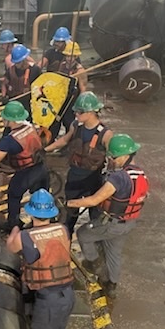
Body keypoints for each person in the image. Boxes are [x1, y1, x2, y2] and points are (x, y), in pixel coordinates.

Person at [6, 189, 75, 329]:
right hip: (66, 295)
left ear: (31, 213)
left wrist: (17, 225)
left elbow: (11, 246)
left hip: (49, 301)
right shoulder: (63, 229)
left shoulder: (26, 237)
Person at [66, 134, 149, 299]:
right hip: (129, 221)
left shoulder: (118, 178)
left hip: (113, 222)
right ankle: (111, 285)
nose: (112, 159)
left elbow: (95, 199)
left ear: (126, 156)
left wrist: (68, 203)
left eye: (115, 157)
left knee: (84, 234)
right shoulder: (139, 173)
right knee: (113, 252)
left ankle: (93, 264)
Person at [45, 92, 113, 238]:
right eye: (76, 111)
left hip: (93, 179)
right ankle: (66, 237)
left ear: (90, 112)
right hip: (74, 177)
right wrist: (44, 150)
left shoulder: (105, 134)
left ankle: (95, 240)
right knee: (68, 214)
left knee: (96, 214)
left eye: (80, 112)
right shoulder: (75, 126)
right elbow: (64, 140)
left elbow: (114, 158)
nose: (76, 114)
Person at [0, 101, 48, 232]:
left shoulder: (10, 140)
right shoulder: (30, 126)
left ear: (9, 120)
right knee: (40, 196)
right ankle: (41, 223)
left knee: (14, 194)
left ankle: (13, 224)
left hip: (26, 172)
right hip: (42, 168)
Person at [49, 40, 88, 140]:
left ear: (76, 57)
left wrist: (80, 106)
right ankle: (51, 141)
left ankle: (69, 143)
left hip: (72, 101)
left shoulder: (79, 71)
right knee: (55, 122)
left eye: (72, 56)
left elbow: (83, 88)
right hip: (61, 100)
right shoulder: (61, 65)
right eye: (67, 56)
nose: (69, 58)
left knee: (69, 123)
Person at [1, 44, 42, 115]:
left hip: (28, 104)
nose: (16, 65)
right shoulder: (11, 70)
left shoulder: (34, 70)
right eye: (15, 63)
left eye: (19, 62)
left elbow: (41, 86)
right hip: (14, 102)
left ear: (24, 60)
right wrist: (4, 96)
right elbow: (4, 83)